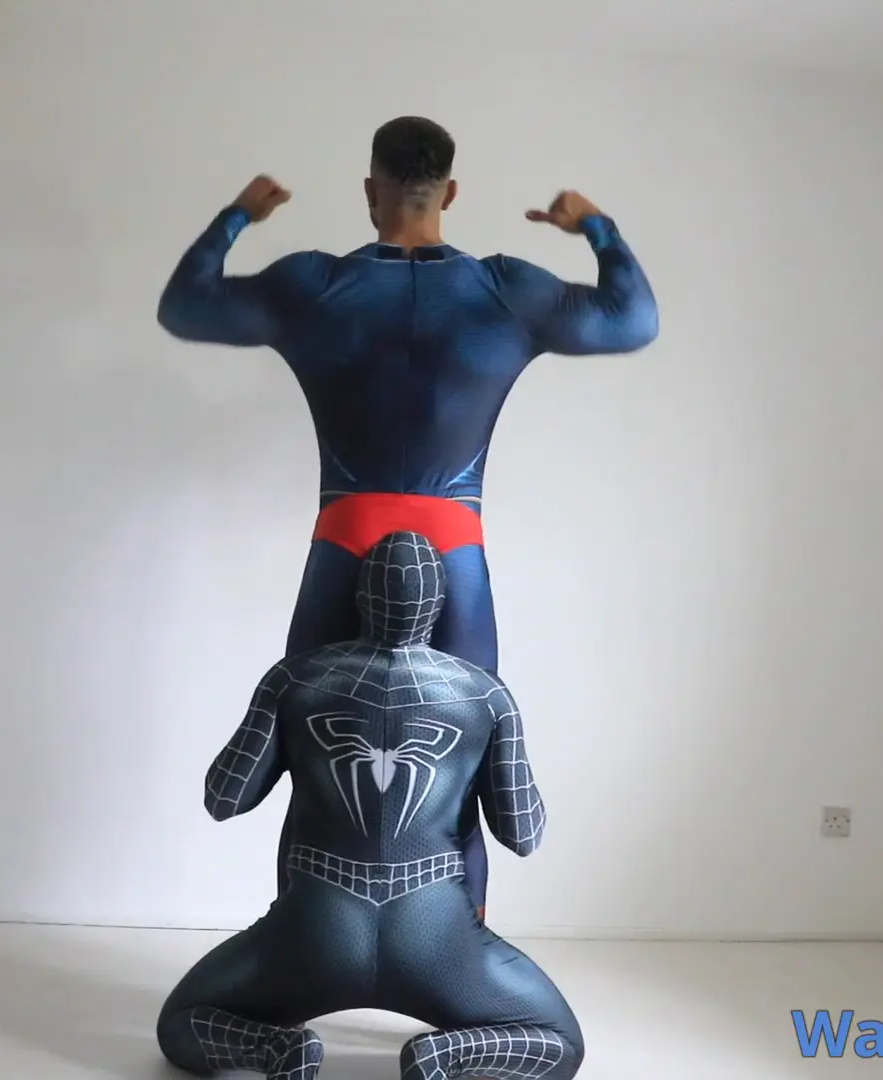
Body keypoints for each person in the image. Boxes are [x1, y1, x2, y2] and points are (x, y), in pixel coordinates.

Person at [157, 116, 657, 920]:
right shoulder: (505, 290)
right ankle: (459, 952)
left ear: (371, 190)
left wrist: (239, 215)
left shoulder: (314, 286)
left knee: (309, 753)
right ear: (449, 193)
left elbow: (187, 307)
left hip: (344, 538)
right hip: (454, 549)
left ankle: (305, 944)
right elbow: (633, 320)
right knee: (467, 762)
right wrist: (595, 226)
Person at [156, 531, 583, 1080]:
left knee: (183, 1022)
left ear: (359, 597)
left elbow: (224, 798)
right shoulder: (485, 694)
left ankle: (279, 1050)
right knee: (558, 1043)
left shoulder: (294, 678)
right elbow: (522, 835)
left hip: (313, 928)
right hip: (436, 935)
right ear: (440, 603)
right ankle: (443, 1056)